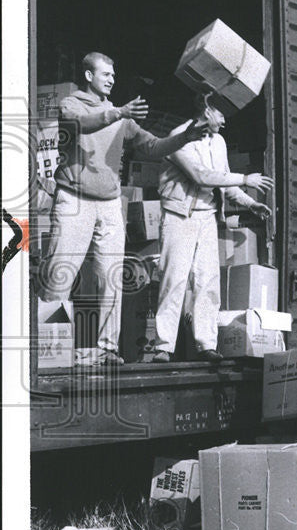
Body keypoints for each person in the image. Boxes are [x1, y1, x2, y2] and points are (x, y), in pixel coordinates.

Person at [39, 52, 209, 365]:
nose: (112, 79)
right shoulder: (72, 104)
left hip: (109, 204)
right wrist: (118, 113)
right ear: (89, 76)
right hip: (73, 200)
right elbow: (80, 124)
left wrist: (185, 136)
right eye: (105, 74)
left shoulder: (121, 117)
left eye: (113, 75)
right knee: (60, 275)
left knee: (110, 278)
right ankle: (52, 353)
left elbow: (154, 147)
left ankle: (107, 349)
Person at [151, 95, 273, 362]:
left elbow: (224, 183)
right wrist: (245, 178)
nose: (225, 120)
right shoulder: (179, 137)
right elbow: (202, 176)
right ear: (207, 110)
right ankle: (163, 346)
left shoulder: (219, 142)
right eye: (221, 114)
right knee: (174, 281)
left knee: (208, 282)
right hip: (179, 216)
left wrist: (251, 203)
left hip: (206, 217)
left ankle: (206, 344)